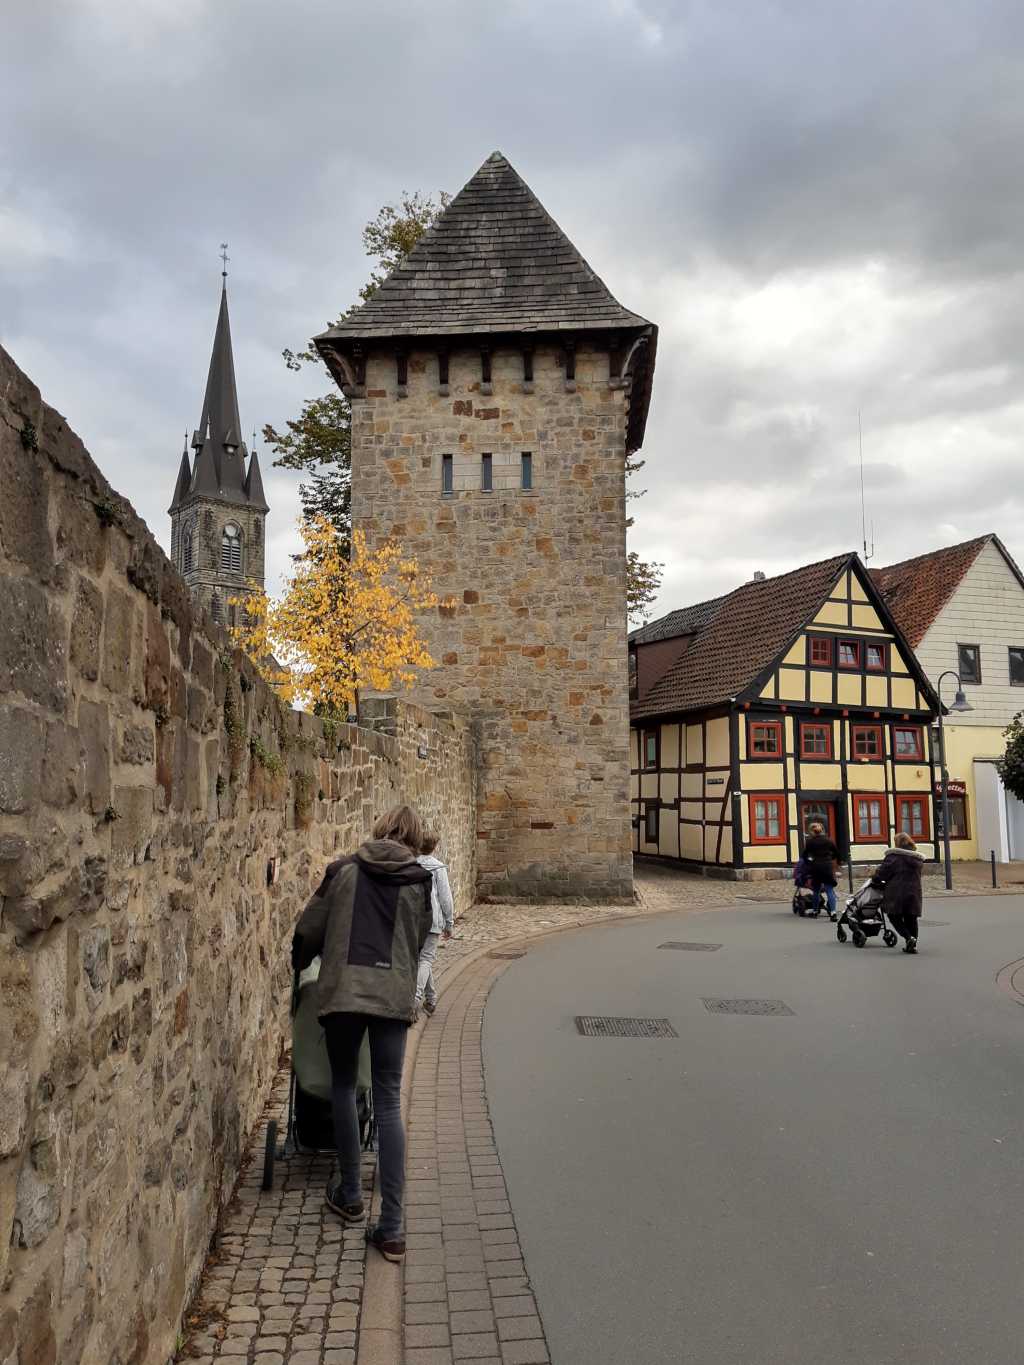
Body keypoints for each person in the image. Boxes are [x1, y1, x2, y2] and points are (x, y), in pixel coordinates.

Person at [292, 804, 433, 1264]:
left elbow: (308, 931)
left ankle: (350, 1193)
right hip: (391, 998)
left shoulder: (343, 871)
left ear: (379, 830)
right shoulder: (419, 881)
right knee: (389, 1098)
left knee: (343, 1084)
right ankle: (392, 1228)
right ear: (413, 838)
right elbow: (418, 939)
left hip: (345, 996)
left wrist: (302, 957)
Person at [414, 830, 455, 1018]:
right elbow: (445, 898)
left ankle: (431, 999)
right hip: (433, 919)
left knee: (422, 958)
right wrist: (449, 922)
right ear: (434, 846)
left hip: (414, 920)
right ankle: (415, 1000)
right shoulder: (438, 868)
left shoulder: (411, 865)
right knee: (426, 959)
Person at [871, 830, 925, 954]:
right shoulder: (916, 858)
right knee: (911, 917)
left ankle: (908, 937)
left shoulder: (893, 857)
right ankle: (913, 944)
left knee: (893, 915)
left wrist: (875, 879)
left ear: (898, 843)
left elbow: (882, 873)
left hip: (896, 891)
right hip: (914, 891)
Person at [802, 821, 841, 920]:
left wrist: (809, 862)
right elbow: (837, 853)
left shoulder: (810, 842)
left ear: (812, 832)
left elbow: (805, 856)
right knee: (829, 890)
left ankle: (815, 911)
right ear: (822, 830)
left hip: (816, 867)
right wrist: (831, 859)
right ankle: (833, 913)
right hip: (827, 867)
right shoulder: (829, 841)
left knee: (816, 891)